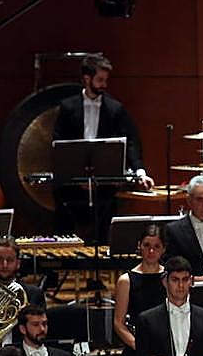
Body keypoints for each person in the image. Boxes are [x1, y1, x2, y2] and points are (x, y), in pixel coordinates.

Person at [52, 53, 151, 240]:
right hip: (72, 186)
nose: (104, 85)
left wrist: (140, 171)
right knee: (64, 228)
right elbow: (58, 143)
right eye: (100, 80)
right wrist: (76, 175)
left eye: (105, 80)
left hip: (103, 186)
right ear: (86, 79)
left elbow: (128, 143)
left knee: (105, 231)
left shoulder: (115, 109)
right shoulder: (67, 107)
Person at [106, 223, 166, 356]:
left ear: (163, 249)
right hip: (136, 346)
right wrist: (139, 346)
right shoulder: (126, 280)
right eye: (147, 246)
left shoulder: (169, 277)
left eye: (156, 247)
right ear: (139, 246)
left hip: (164, 347)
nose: (151, 251)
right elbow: (118, 323)